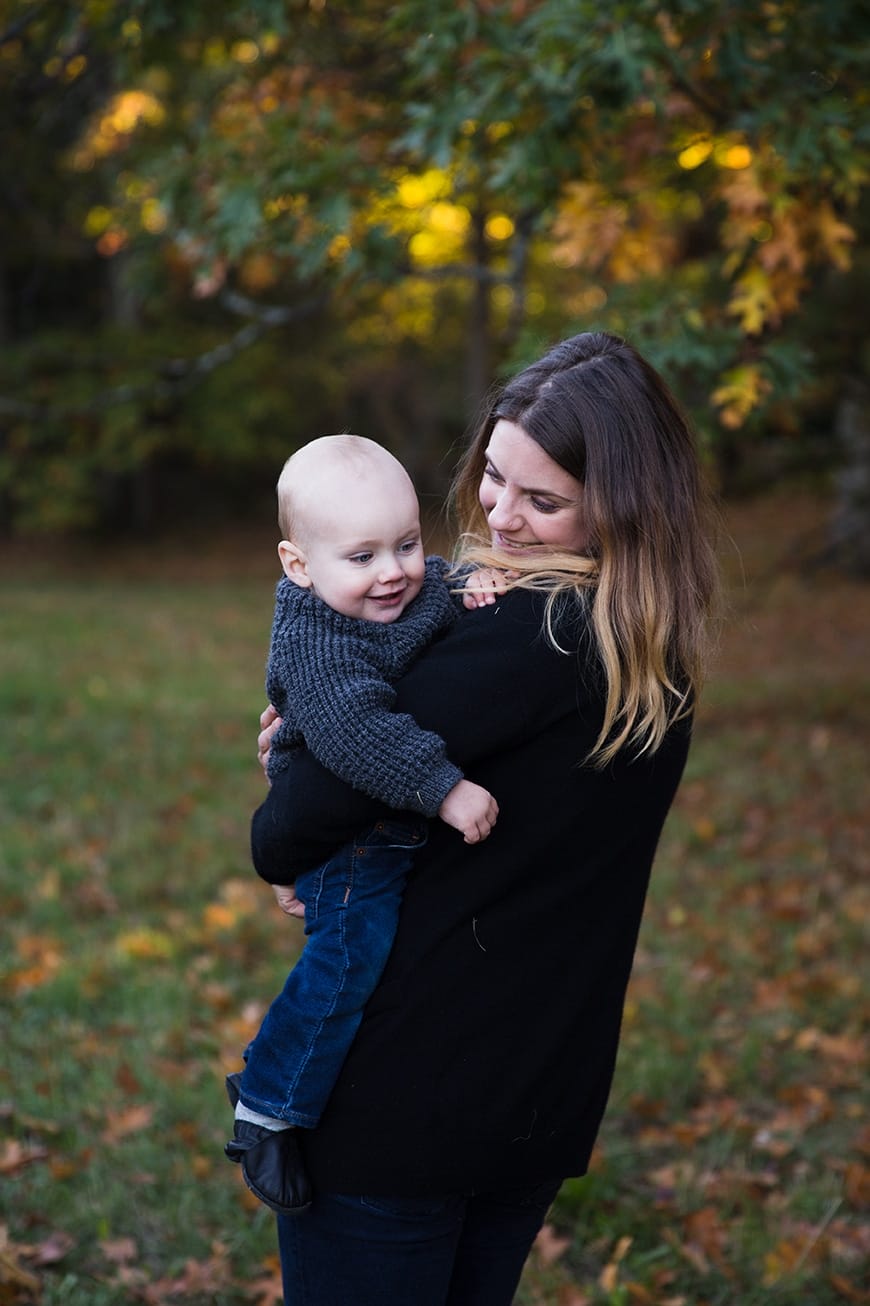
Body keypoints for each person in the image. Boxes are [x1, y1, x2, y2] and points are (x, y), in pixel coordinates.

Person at [249, 331, 720, 1306]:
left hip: (404, 1094)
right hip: (540, 1092)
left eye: (542, 500)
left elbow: (285, 832)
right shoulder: (654, 655)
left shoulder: (519, 637)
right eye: (493, 476)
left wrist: (293, 755)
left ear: (623, 509)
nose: (500, 515)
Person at [225, 434, 500, 1215]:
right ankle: (268, 1105)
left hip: (379, 828)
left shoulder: (403, 592)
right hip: (348, 843)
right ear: (299, 566)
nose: (394, 573)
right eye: (363, 557)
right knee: (348, 959)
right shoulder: (315, 638)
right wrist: (444, 789)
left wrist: (474, 584)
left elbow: (439, 590)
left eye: (408, 544)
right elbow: (353, 732)